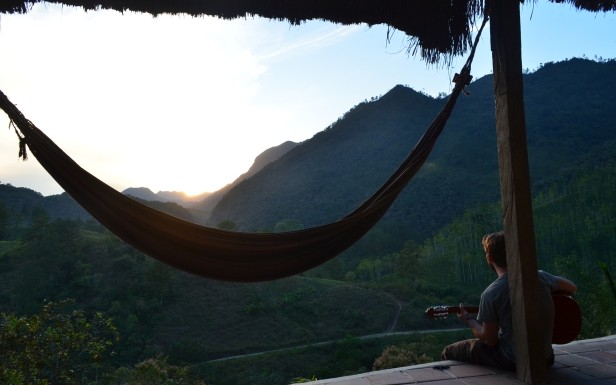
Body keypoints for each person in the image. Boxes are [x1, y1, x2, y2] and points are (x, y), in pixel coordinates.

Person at [441, 231, 577, 371]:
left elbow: (489, 339)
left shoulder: (491, 294)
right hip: (546, 359)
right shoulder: (540, 276)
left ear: (489, 258)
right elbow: (572, 288)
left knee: (449, 351)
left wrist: (468, 319)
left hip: (513, 361)